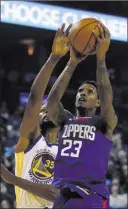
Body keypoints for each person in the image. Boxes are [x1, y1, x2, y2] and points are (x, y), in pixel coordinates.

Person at [1, 23, 72, 208]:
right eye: (43, 110)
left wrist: (11, 178)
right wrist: (53, 59)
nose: (44, 111)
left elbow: (54, 195)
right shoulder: (29, 141)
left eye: (50, 109)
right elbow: (34, 98)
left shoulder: (68, 154)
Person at [47, 24, 117, 208]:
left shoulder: (103, 122)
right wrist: (71, 63)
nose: (83, 93)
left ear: (99, 102)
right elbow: (52, 101)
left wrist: (101, 59)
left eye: (90, 91)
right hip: (62, 194)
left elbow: (106, 94)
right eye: (80, 90)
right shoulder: (65, 120)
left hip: (90, 195)